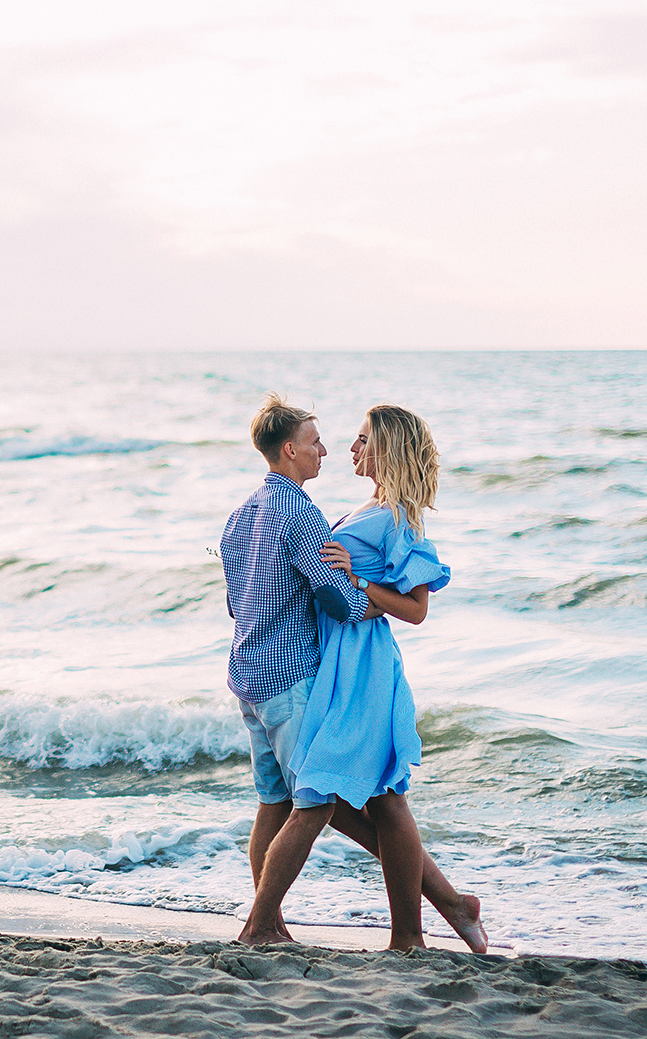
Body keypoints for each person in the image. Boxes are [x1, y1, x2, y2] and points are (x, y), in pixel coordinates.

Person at [221, 394, 485, 952]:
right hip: (315, 668)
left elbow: (412, 607)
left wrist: (358, 586)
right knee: (334, 799)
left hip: (335, 667)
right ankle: (438, 912)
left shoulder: (249, 514)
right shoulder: (321, 510)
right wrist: (347, 592)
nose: (339, 448)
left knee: (354, 796)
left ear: (387, 447)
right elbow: (330, 592)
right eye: (319, 441)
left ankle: (417, 925)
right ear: (289, 450)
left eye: (361, 438)